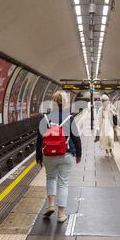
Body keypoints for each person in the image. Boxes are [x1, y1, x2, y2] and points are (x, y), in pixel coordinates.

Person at [35, 91, 82, 223]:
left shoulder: (45, 118)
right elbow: (76, 138)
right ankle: (61, 215)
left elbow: (39, 140)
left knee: (50, 178)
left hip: (49, 155)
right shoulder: (69, 118)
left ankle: (50, 205)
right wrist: (78, 154)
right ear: (65, 102)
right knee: (63, 183)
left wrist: (38, 157)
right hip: (66, 154)